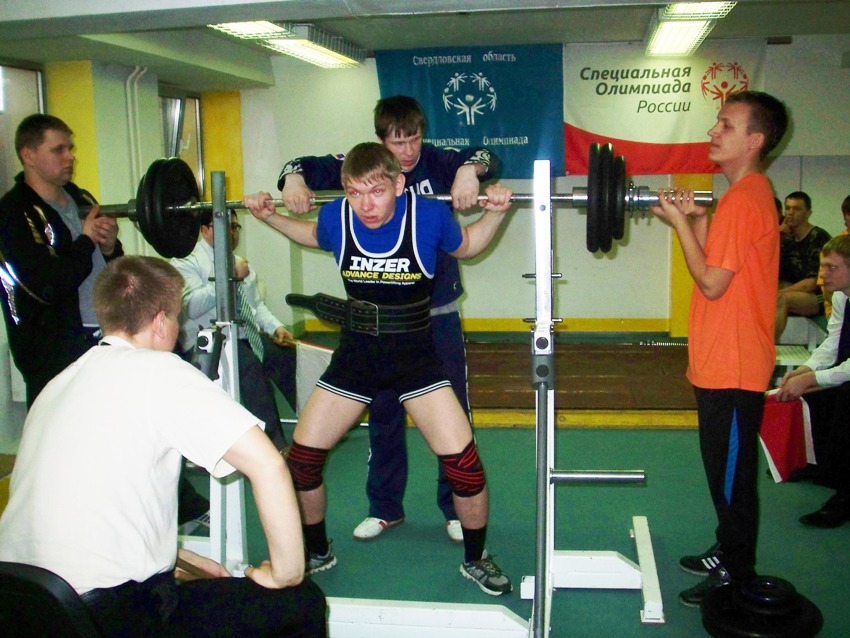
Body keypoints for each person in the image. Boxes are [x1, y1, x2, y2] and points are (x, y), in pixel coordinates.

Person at [0, 255, 327, 636]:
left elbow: (88, 503)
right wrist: (286, 573)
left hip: (21, 605)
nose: (179, 330)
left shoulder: (57, 385)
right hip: (101, 618)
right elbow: (268, 465)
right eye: (177, 318)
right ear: (159, 322)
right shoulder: (160, 369)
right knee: (301, 601)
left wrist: (178, 558)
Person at [244, 142, 514, 596]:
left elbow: (467, 247)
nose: (365, 205)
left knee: (465, 467)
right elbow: (312, 235)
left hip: (416, 360)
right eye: (354, 193)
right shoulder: (337, 217)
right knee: (303, 463)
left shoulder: (428, 216)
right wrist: (269, 216)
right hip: (356, 358)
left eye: (376, 191)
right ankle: (317, 551)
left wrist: (496, 213)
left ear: (399, 184)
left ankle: (475, 558)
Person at [278, 95, 501, 543]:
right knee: (382, 416)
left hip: (434, 314)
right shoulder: (365, 170)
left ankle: (454, 510)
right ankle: (384, 508)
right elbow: (301, 167)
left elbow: (489, 158)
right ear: (381, 142)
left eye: (414, 139)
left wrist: (469, 172)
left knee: (452, 419)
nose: (409, 150)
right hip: (372, 327)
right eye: (398, 142)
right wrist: (291, 181)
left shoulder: (438, 162)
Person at [650, 90, 789, 607]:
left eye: (726, 125)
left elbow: (710, 282)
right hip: (722, 361)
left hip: (734, 366)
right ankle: (726, 548)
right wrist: (696, 221)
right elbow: (723, 265)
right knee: (722, 473)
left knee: (732, 478)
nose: (713, 131)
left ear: (755, 140)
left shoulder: (745, 199)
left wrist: (678, 224)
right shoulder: (743, 196)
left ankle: (737, 569)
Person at [0, 113, 123, 406]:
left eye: (70, 148)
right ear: (28, 155)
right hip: (53, 355)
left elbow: (112, 268)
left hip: (104, 338)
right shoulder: (13, 213)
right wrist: (86, 241)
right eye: (58, 150)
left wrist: (109, 247)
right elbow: (48, 284)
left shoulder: (81, 199)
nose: (70, 157)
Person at [171, 209, 297, 452]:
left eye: (234, 227)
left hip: (243, 336)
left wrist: (276, 327)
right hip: (205, 342)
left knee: (285, 357)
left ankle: (308, 430)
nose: (231, 233)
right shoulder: (185, 262)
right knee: (250, 368)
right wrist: (229, 277)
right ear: (205, 230)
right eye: (224, 226)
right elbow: (191, 308)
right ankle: (274, 446)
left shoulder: (240, 263)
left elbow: (255, 305)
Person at [776, 234, 850, 528]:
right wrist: (804, 370)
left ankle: (845, 497)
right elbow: (833, 343)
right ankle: (822, 467)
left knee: (845, 401)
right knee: (814, 397)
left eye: (831, 267)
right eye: (822, 266)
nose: (822, 274)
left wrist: (812, 378)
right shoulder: (841, 297)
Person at [775, 191, 831, 339]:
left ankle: (769, 346)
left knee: (780, 298)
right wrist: (777, 238)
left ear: (808, 213)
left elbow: (811, 284)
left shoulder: (818, 237)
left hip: (820, 296)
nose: (790, 213)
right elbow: (772, 274)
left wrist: (778, 293)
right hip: (796, 290)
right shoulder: (787, 239)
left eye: (797, 209)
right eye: (788, 208)